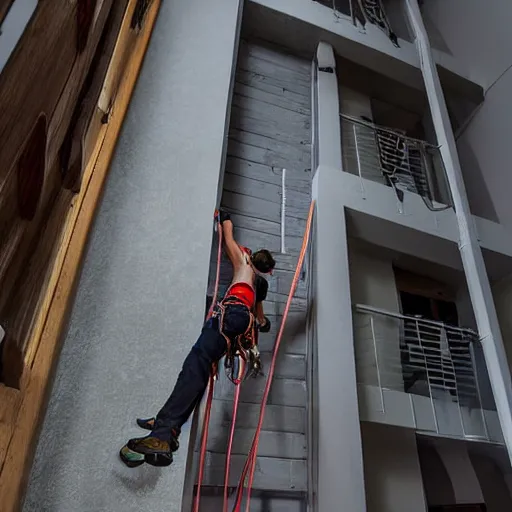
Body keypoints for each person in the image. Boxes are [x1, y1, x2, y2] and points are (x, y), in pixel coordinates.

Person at [120, 211, 275, 467]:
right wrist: (265, 324)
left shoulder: (244, 262)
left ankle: (163, 432)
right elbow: (261, 321)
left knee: (194, 366)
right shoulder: (261, 285)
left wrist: (225, 217)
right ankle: (166, 426)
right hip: (239, 323)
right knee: (200, 372)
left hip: (230, 313)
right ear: (267, 270)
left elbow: (228, 237)